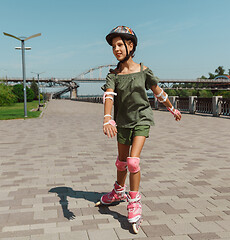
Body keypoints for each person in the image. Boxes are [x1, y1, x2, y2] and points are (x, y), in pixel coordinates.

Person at [98, 26, 182, 233]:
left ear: (131, 45)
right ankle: (118, 191)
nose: (116, 49)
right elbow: (109, 96)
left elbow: (158, 92)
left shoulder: (144, 71)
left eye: (120, 45)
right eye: (113, 46)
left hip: (142, 119)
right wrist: (108, 119)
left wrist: (172, 108)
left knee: (133, 162)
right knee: (121, 162)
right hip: (123, 122)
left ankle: (134, 201)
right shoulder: (113, 75)